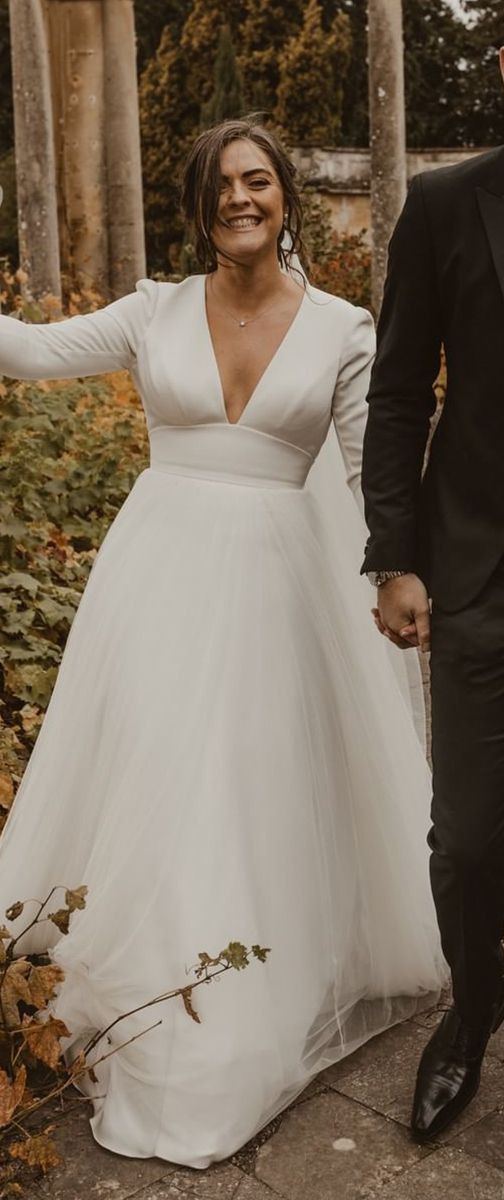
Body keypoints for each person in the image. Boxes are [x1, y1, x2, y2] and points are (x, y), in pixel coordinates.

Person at [0, 117, 446, 1168]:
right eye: (221, 185)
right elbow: (30, 353)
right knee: (163, 770)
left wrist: (402, 571)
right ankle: (156, 971)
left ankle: (247, 983)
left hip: (276, 590)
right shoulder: (152, 311)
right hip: (158, 579)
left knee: (249, 781)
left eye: (258, 181)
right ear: (198, 205)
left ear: (285, 194)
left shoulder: (344, 329)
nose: (241, 199)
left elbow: (368, 466)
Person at [361, 47, 504, 1144]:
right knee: (464, 838)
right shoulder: (447, 204)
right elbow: (402, 388)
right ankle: (470, 1017)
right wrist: (395, 557)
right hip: (478, 571)